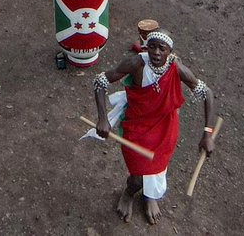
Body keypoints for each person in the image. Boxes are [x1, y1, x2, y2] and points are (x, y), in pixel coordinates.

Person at [91, 30, 214, 225]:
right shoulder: (136, 63)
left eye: (161, 49)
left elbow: (207, 93)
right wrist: (102, 118)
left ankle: (149, 196)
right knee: (138, 176)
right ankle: (130, 192)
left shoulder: (178, 69)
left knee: (158, 168)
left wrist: (207, 134)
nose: (156, 52)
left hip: (165, 127)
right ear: (146, 47)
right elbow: (100, 82)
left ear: (169, 51)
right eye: (152, 47)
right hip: (136, 126)